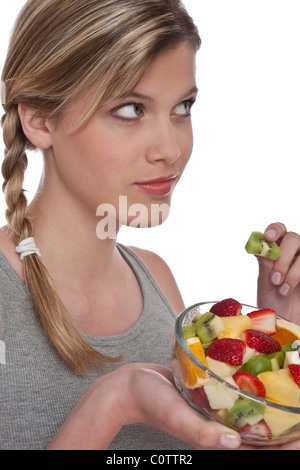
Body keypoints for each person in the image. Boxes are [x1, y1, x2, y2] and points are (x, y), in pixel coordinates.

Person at [0, 0, 300, 451]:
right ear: (39, 119)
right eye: (130, 110)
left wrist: (274, 352)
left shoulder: (156, 280)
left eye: (183, 106)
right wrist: (113, 405)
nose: (171, 149)